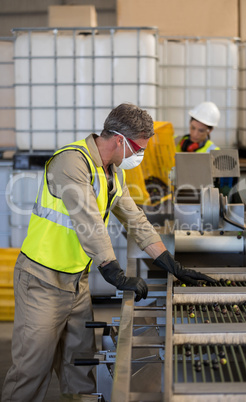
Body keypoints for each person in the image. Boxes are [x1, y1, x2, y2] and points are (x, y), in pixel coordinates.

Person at [2, 103, 215, 401]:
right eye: (138, 148)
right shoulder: (71, 163)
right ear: (119, 140)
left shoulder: (112, 172)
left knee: (79, 369)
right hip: (41, 281)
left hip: (76, 283)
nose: (140, 155)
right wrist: (113, 270)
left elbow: (135, 219)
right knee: (32, 371)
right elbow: (88, 220)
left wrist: (167, 261)